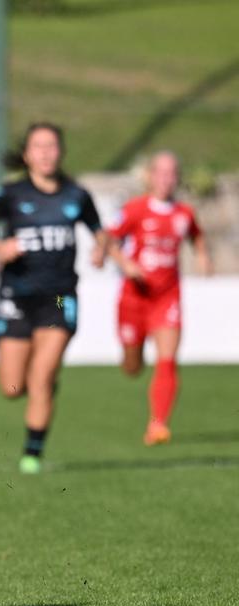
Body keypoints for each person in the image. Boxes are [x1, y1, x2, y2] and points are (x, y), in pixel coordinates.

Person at [0, 123, 107, 474]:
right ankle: (42, 385)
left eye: (51, 146)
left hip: (59, 299)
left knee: (42, 378)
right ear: (27, 154)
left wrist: (100, 251)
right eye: (38, 146)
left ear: (60, 152)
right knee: (13, 387)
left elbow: (100, 232)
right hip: (17, 296)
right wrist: (0, 246)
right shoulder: (12, 193)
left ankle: (32, 453)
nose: (45, 152)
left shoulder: (76, 195)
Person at [108, 151, 212, 445]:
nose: (166, 179)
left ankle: (158, 425)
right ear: (151, 176)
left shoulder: (184, 213)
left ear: (177, 177)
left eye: (172, 173)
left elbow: (197, 236)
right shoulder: (135, 209)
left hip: (167, 297)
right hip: (134, 297)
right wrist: (125, 263)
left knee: (167, 360)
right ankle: (133, 353)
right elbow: (110, 238)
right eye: (161, 172)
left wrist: (203, 255)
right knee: (132, 367)